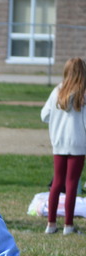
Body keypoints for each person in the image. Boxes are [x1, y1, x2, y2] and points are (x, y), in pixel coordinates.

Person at [41, 57, 86, 236]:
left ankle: (50, 224)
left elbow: (44, 115)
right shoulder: (83, 93)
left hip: (59, 142)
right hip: (78, 144)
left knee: (57, 182)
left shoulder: (57, 91)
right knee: (72, 183)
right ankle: (68, 225)